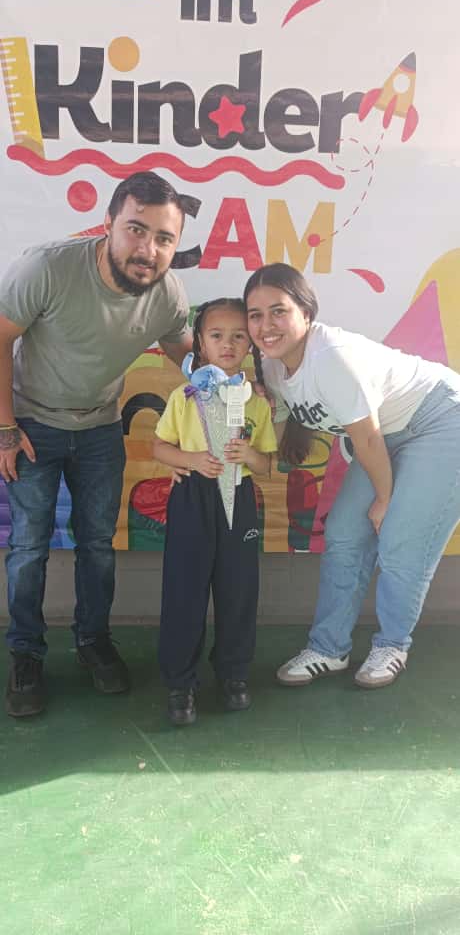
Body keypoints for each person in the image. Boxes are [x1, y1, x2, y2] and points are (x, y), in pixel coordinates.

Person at [0, 171, 193, 717]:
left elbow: (187, 354)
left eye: (164, 238)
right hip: (32, 425)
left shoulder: (167, 294)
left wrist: (235, 390)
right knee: (29, 548)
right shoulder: (48, 268)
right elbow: (1, 337)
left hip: (101, 428)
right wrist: (5, 429)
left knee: (98, 545)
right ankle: (26, 653)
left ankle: (93, 641)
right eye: (136, 229)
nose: (148, 249)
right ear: (107, 223)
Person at [243, 262, 460, 690]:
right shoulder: (272, 367)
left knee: (399, 540)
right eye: (255, 314)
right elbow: (283, 437)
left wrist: (383, 500)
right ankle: (329, 648)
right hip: (385, 435)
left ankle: (392, 644)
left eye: (278, 311)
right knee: (343, 534)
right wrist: (259, 428)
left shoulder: (330, 358)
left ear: (306, 313)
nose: (266, 325)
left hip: (441, 421)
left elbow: (368, 439)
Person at [152, 298, 277, 725]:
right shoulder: (184, 397)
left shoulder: (255, 402)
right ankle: (180, 683)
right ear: (200, 344)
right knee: (184, 591)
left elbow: (268, 464)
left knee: (238, 590)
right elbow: (159, 447)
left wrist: (250, 455)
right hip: (192, 498)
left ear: (251, 345)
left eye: (239, 336)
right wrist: (189, 459)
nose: (228, 344)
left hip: (239, 500)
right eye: (217, 335)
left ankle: (233, 674)